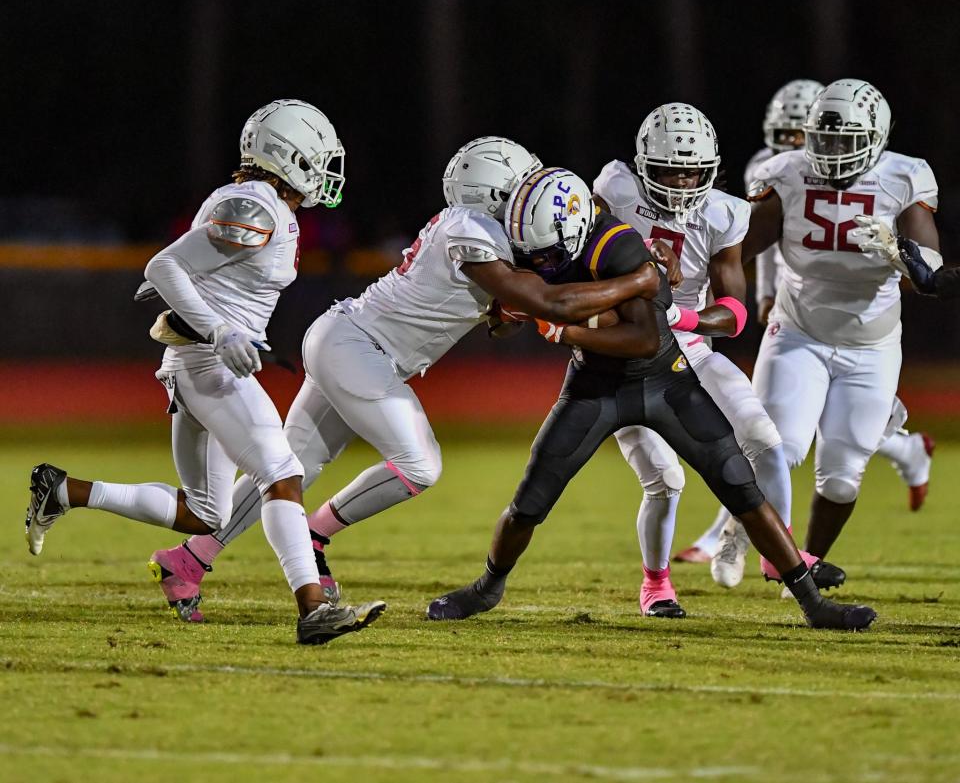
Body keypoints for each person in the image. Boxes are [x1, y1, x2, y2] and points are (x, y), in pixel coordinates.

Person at [141, 136, 668, 623]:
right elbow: (546, 301)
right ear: (492, 193)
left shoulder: (473, 228)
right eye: (516, 188)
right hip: (358, 349)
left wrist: (495, 313)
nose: (526, 198)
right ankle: (315, 533)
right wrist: (638, 280)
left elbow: (497, 305)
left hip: (349, 341)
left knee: (288, 473)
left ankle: (188, 561)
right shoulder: (473, 230)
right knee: (420, 464)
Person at [427, 167, 877, 631]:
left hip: (665, 380)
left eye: (548, 254)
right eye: (531, 255)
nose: (541, 263)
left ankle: (810, 602)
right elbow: (508, 319)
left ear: (577, 227)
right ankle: (487, 587)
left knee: (739, 485)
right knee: (530, 499)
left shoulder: (620, 245)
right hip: (593, 386)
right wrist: (523, 310)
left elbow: (643, 338)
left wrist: (571, 327)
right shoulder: (543, 241)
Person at [24, 99, 387, 645]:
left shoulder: (261, 206)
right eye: (316, 157)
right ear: (286, 156)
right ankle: (313, 609)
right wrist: (220, 331)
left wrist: (217, 323)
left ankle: (64, 491)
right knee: (281, 475)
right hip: (209, 364)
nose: (325, 171)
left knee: (205, 514)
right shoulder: (257, 205)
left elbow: (191, 271)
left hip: (196, 366)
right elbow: (163, 266)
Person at [591, 102, 843, 616]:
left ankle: (781, 553)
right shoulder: (615, 190)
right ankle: (656, 584)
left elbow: (732, 311)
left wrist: (680, 320)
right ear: (643, 165)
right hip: (622, 349)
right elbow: (580, 255)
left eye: (693, 170)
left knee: (767, 443)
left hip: (689, 345)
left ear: (712, 170)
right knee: (665, 482)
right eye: (669, 169)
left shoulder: (724, 212)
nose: (682, 182)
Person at [674, 79, 935, 570]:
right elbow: (737, 249)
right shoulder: (788, 173)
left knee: (840, 477)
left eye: (846, 141)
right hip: (799, 332)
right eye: (824, 139)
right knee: (775, 444)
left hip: (872, 346)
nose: (833, 153)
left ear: (877, 139)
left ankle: (805, 562)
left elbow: (931, 271)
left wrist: (905, 256)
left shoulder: (903, 178)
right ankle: (768, 549)